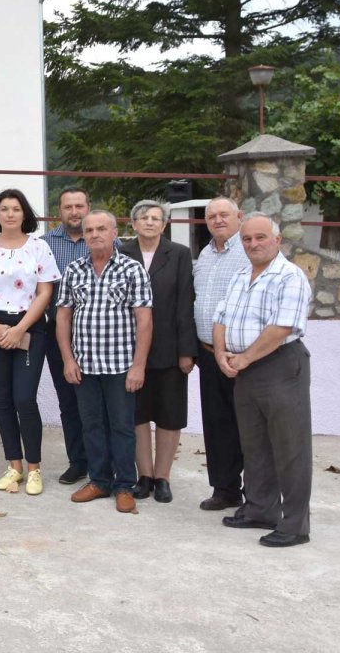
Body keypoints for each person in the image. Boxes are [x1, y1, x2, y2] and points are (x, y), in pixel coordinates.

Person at [214, 214, 313, 548]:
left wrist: (243, 358)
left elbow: (281, 328)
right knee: (254, 445)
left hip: (280, 366)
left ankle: (295, 525)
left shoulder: (290, 276)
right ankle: (260, 509)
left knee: (290, 447)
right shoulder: (240, 275)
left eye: (260, 237)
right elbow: (221, 318)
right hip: (244, 369)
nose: (253, 244)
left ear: (277, 240)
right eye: (247, 239)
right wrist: (220, 353)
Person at [55, 210, 153, 513]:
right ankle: (99, 481)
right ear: (84, 235)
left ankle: (124, 486)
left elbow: (144, 320)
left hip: (120, 365)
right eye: (89, 230)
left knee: (122, 427)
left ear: (114, 233)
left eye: (101, 229)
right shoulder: (74, 269)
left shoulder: (132, 269)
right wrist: (68, 360)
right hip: (84, 365)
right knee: (92, 425)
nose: (95, 234)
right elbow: (63, 317)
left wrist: (138, 366)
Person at [0, 189, 61, 497]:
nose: (10, 214)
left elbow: (45, 292)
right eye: (4, 209)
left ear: (25, 214)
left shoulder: (39, 247)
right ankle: (14, 466)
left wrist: (20, 329)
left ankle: (34, 468)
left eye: (16, 209)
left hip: (29, 326)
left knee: (25, 398)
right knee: (4, 400)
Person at [121, 200, 197, 504]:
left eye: (155, 218)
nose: (149, 222)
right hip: (129, 349)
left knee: (169, 414)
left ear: (164, 224)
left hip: (169, 348)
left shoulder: (179, 254)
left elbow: (185, 302)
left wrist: (186, 351)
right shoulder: (122, 252)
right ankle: (145, 475)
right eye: (143, 218)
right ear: (134, 224)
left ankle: (163, 477)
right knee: (137, 414)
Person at [193, 196, 250, 511]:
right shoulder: (205, 253)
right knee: (217, 426)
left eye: (224, 214)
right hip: (208, 354)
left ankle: (256, 494)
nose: (217, 220)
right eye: (212, 215)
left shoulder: (249, 250)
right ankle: (225, 489)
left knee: (250, 427)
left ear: (239, 216)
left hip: (243, 356)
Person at [42, 186, 94, 484]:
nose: (74, 212)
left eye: (79, 206)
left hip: (98, 333)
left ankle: (103, 461)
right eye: (68, 207)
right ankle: (78, 461)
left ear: (88, 207)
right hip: (57, 333)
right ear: (59, 211)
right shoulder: (44, 244)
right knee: (68, 400)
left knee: (98, 400)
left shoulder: (104, 239)